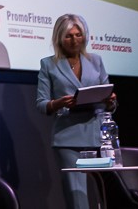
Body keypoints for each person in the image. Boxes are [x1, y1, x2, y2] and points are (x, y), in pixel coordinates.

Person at [36, 13, 118, 209]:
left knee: (107, 194)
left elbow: (110, 102)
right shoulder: (49, 65)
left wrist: (110, 101)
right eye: (69, 36)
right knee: (77, 198)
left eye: (78, 35)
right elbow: (41, 104)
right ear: (59, 38)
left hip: (98, 136)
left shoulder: (96, 61)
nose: (74, 40)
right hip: (68, 138)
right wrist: (58, 103)